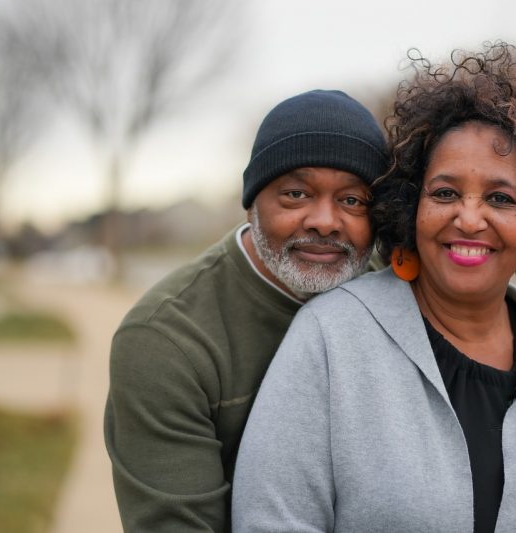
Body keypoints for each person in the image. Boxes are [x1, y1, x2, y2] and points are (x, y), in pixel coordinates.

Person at [233, 43, 516, 532]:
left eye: (500, 198)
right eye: (445, 193)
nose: (469, 218)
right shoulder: (330, 339)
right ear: (412, 207)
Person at [104, 89, 388, 532]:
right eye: (296, 194)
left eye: (353, 200)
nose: (325, 221)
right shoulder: (165, 341)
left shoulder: (394, 287)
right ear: (253, 200)